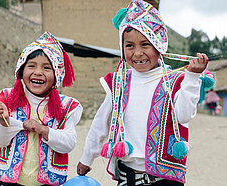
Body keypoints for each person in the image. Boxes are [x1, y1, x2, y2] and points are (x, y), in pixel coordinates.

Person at [77, 0, 208, 186]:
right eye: (129, 46)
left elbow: (184, 115)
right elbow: (100, 124)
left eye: (145, 44)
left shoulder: (175, 81)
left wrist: (192, 79)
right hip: (127, 176)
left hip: (165, 179)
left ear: (159, 44)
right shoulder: (118, 83)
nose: (137, 53)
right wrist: (86, 158)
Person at [0, 32, 83, 186]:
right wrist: (3, 121)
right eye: (31, 66)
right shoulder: (6, 99)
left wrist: (44, 130)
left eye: (47, 68)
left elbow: (69, 143)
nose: (38, 72)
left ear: (57, 74)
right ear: (21, 70)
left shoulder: (66, 106)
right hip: (9, 183)